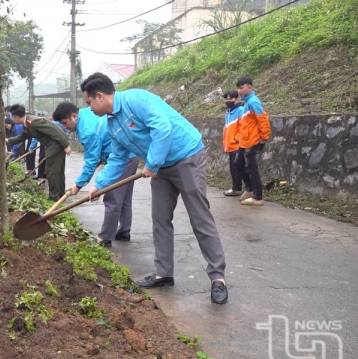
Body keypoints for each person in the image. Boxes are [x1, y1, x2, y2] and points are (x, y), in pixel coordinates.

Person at [80, 72, 228, 304]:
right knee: (160, 219)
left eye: (89, 103)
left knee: (200, 217)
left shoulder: (136, 99)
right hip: (161, 167)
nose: (89, 109)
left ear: (99, 96)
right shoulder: (111, 124)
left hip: (186, 156)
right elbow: (118, 159)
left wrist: (151, 164)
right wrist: (98, 185)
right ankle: (163, 274)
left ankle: (217, 277)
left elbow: (162, 128)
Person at [53, 101, 138, 248]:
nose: (65, 127)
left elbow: (91, 162)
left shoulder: (88, 130)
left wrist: (79, 184)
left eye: (65, 123)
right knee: (123, 198)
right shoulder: (86, 113)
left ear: (74, 116)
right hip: (130, 154)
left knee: (112, 198)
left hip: (121, 159)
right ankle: (124, 231)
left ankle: (105, 237)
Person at [6, 104, 71, 201]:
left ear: (16, 117)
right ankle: (61, 195)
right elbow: (22, 137)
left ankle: (54, 197)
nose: (11, 119)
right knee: (57, 171)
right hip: (52, 145)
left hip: (55, 145)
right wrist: (8, 140)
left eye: (11, 117)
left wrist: (66, 145)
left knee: (52, 171)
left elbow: (54, 130)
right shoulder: (27, 123)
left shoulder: (34, 121)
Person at [236, 76, 271, 206]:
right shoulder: (246, 103)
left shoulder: (253, 102)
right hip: (244, 141)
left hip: (253, 141)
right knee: (238, 164)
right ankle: (250, 189)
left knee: (251, 168)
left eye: (241, 87)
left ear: (249, 87)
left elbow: (263, 119)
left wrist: (263, 138)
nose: (239, 90)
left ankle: (258, 198)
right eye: (238, 88)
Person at [222, 90, 244, 196]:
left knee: (236, 168)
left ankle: (237, 189)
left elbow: (243, 127)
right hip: (230, 145)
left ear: (236, 99)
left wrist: (236, 139)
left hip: (236, 145)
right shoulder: (228, 112)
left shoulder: (240, 110)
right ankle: (236, 188)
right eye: (226, 99)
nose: (228, 101)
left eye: (230, 98)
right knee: (233, 168)